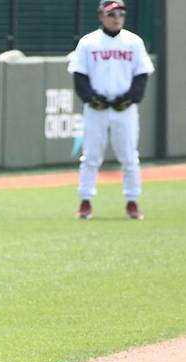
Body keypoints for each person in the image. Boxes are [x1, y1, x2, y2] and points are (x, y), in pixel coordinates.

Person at [68, 0, 154, 220]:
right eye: (112, 13)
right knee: (91, 156)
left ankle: (132, 201)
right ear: (101, 16)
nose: (116, 17)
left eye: (120, 13)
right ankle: (85, 201)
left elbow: (142, 73)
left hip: (124, 109)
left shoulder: (133, 42)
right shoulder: (88, 42)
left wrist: (132, 98)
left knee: (129, 157)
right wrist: (89, 98)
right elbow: (79, 73)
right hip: (96, 108)